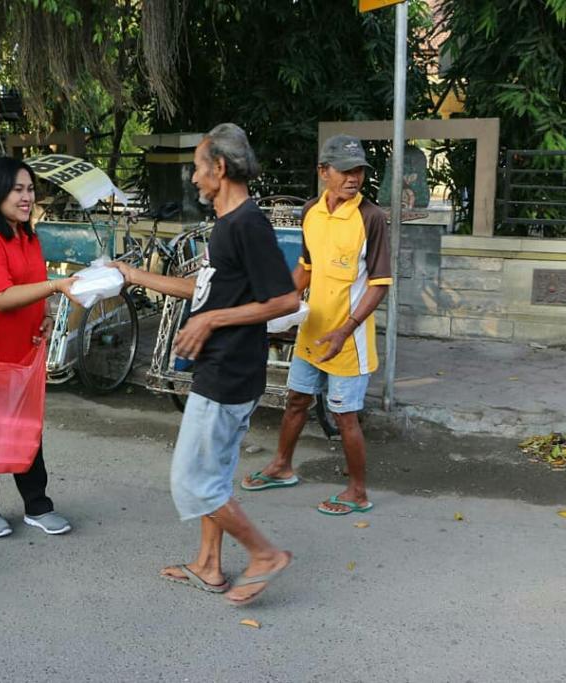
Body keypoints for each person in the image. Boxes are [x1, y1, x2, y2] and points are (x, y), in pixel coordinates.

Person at [111, 123, 298, 606]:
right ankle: (209, 565)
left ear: (219, 167)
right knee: (213, 471)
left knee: (193, 480)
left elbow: (283, 300)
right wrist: (134, 275)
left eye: (197, 167)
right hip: (224, 367)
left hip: (229, 371)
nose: (193, 178)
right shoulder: (227, 223)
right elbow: (205, 290)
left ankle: (264, 554)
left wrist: (213, 320)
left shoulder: (249, 224)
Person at [241, 134, 392, 516]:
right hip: (312, 331)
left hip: (349, 339)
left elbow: (379, 286)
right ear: (323, 172)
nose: (353, 177)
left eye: (358, 170)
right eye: (345, 170)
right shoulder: (310, 212)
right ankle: (281, 466)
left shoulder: (370, 218)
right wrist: (278, 305)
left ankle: (357, 491)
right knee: (296, 401)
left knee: (344, 416)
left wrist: (346, 329)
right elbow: (306, 269)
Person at [0, 156, 77, 539]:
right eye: (17, 190)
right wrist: (56, 287)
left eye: (30, 190)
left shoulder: (27, 235)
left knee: (27, 430)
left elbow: (28, 286)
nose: (27, 198)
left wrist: (40, 315)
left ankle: (37, 505)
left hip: (21, 351)